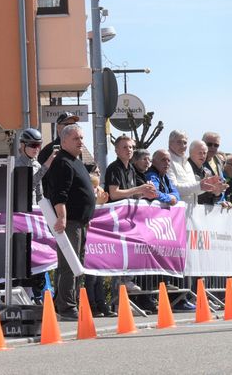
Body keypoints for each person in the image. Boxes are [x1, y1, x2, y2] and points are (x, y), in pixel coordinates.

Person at [42, 124, 97, 321]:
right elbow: (60, 193)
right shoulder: (63, 162)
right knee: (69, 264)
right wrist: (62, 217)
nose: (80, 142)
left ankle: (69, 302)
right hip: (70, 221)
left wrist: (86, 218)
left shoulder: (76, 161)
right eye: (76, 139)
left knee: (78, 264)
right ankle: (66, 307)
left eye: (81, 138)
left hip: (80, 221)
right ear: (64, 141)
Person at [104, 136, 155, 201]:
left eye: (130, 147)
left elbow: (133, 195)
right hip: (117, 210)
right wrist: (139, 189)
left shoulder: (131, 169)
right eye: (125, 147)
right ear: (117, 151)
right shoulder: (114, 168)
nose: (129, 150)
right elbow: (114, 195)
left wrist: (145, 192)